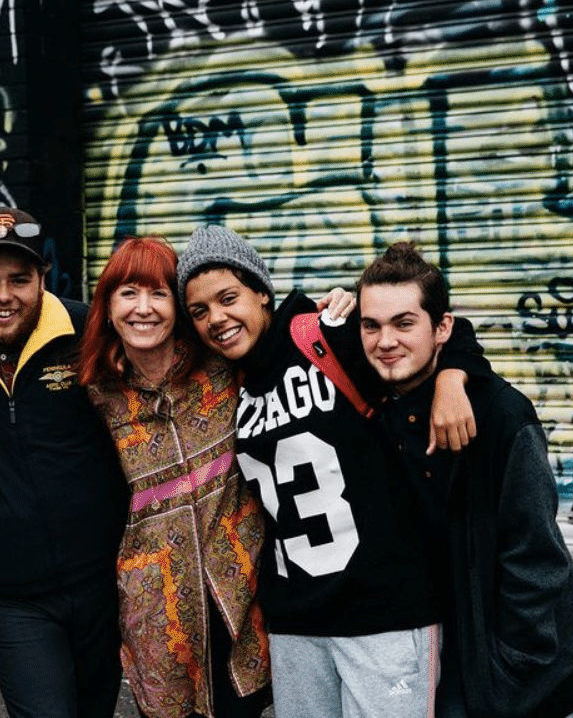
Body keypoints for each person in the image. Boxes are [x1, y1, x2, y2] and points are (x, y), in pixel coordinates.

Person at [177, 224, 488, 718]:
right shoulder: (222, 385)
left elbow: (437, 331)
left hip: (386, 612)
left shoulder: (324, 335)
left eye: (228, 297)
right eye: (199, 311)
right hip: (296, 622)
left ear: (261, 291)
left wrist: (454, 378)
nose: (218, 318)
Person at [78, 237, 355, 718]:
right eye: (127, 293)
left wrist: (330, 307)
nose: (143, 308)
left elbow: (280, 327)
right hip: (157, 616)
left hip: (244, 600)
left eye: (158, 294)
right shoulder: (96, 394)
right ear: (106, 306)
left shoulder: (224, 364)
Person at [357, 242, 573, 718]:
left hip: (552, 684)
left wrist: (512, 666)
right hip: (459, 682)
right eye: (371, 325)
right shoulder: (374, 410)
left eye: (404, 323)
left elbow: (536, 558)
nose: (385, 340)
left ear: (442, 329)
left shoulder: (503, 415)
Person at [0, 207, 131, 718]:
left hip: (102, 582)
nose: (3, 296)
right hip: (10, 596)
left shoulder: (91, 332)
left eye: (20, 279)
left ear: (42, 277)